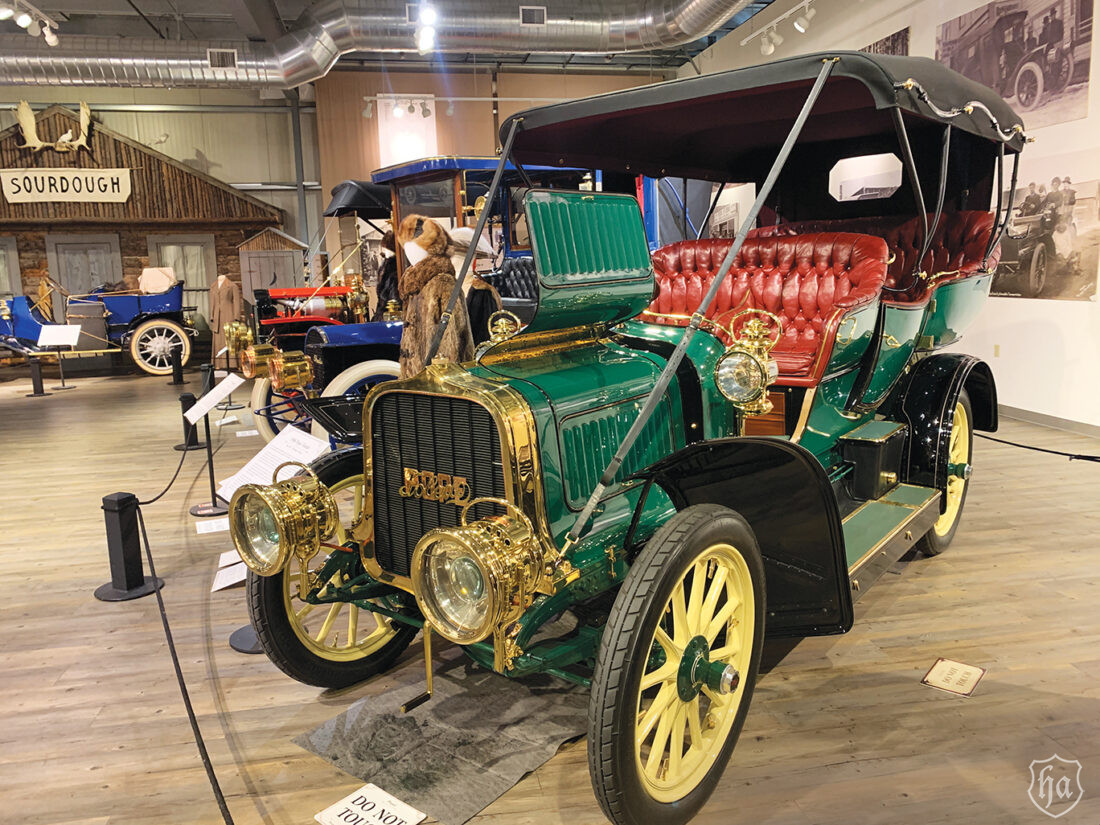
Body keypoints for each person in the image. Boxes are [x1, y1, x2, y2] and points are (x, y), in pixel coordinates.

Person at [396, 214, 475, 379]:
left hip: (437, 381)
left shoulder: (442, 283)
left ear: (433, 249)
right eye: (406, 247)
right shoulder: (415, 285)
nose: (409, 252)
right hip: (418, 377)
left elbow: (450, 344)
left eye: (414, 246)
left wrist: (441, 381)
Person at [370, 230, 399, 322]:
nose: (386, 251)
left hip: (392, 315)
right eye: (385, 248)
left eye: (388, 249)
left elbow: (394, 298)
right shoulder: (385, 266)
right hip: (383, 314)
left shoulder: (396, 268)